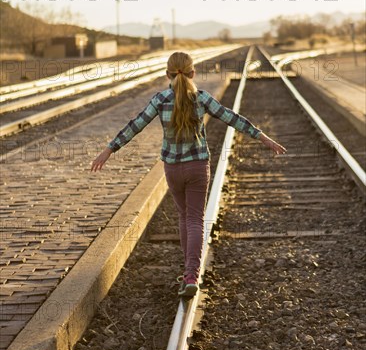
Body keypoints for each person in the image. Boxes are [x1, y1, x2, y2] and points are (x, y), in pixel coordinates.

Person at [91, 51, 287, 298]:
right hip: (197, 166)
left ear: (167, 75)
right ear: (192, 73)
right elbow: (232, 118)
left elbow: (135, 125)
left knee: (184, 218)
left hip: (173, 168)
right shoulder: (202, 98)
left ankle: (188, 272)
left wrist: (109, 150)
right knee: (195, 219)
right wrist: (263, 137)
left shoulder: (159, 100)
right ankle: (192, 274)